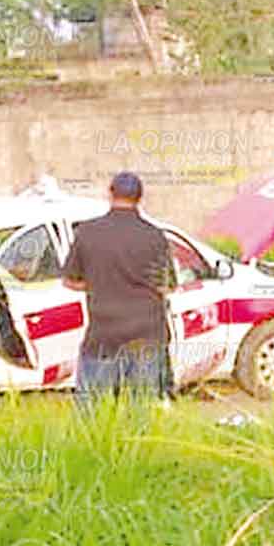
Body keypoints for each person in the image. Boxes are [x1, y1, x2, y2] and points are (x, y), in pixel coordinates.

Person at [62, 171, 176, 413]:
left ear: (110, 193)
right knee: (141, 414)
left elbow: (70, 281)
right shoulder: (155, 237)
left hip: (104, 335)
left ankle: (96, 451)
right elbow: (168, 286)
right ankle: (138, 450)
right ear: (140, 198)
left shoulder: (88, 232)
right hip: (146, 335)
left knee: (94, 414)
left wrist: (99, 283)